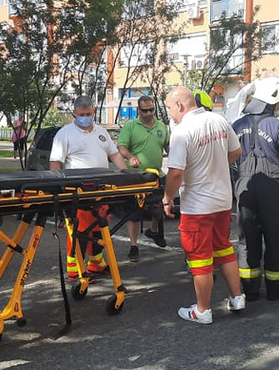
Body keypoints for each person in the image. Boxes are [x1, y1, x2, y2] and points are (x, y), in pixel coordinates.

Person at [163, 86, 245, 324]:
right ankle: (237, 297)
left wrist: (167, 198)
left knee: (199, 257)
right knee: (224, 248)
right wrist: (215, 166)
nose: (170, 113)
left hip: (198, 205)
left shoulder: (182, 131)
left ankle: (202, 310)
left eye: (169, 108)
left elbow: (176, 172)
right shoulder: (218, 120)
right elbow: (236, 151)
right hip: (222, 200)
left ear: (179, 105)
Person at [50, 96, 127, 280]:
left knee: (99, 228)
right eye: (82, 115)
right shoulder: (65, 134)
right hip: (78, 192)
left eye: (89, 114)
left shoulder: (101, 132)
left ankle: (96, 263)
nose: (85, 117)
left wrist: (126, 174)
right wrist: (57, 187)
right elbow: (55, 163)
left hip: (101, 190)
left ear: (94, 112)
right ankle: (75, 269)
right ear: (74, 114)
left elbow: (114, 155)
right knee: (80, 231)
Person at [232, 77, 279, 301]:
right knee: (275, 236)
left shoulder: (237, 125)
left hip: (245, 185)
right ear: (272, 103)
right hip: (273, 186)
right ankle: (275, 289)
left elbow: (230, 156)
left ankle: (249, 290)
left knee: (247, 238)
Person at [117, 95, 169, 261]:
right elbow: (121, 147)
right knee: (134, 213)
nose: (148, 113)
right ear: (138, 110)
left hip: (157, 175)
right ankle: (134, 246)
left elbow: (168, 145)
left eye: (151, 110)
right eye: (145, 110)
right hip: (137, 177)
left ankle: (153, 231)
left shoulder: (162, 126)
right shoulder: (131, 126)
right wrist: (131, 157)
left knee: (160, 208)